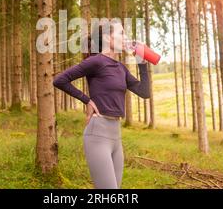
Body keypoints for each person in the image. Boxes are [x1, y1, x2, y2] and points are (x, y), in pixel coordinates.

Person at [53, 20, 150, 189]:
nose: (125, 37)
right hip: (97, 134)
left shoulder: (121, 68)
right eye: (121, 33)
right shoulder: (96, 62)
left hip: (116, 136)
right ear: (107, 38)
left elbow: (144, 92)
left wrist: (142, 63)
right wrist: (87, 100)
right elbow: (60, 80)